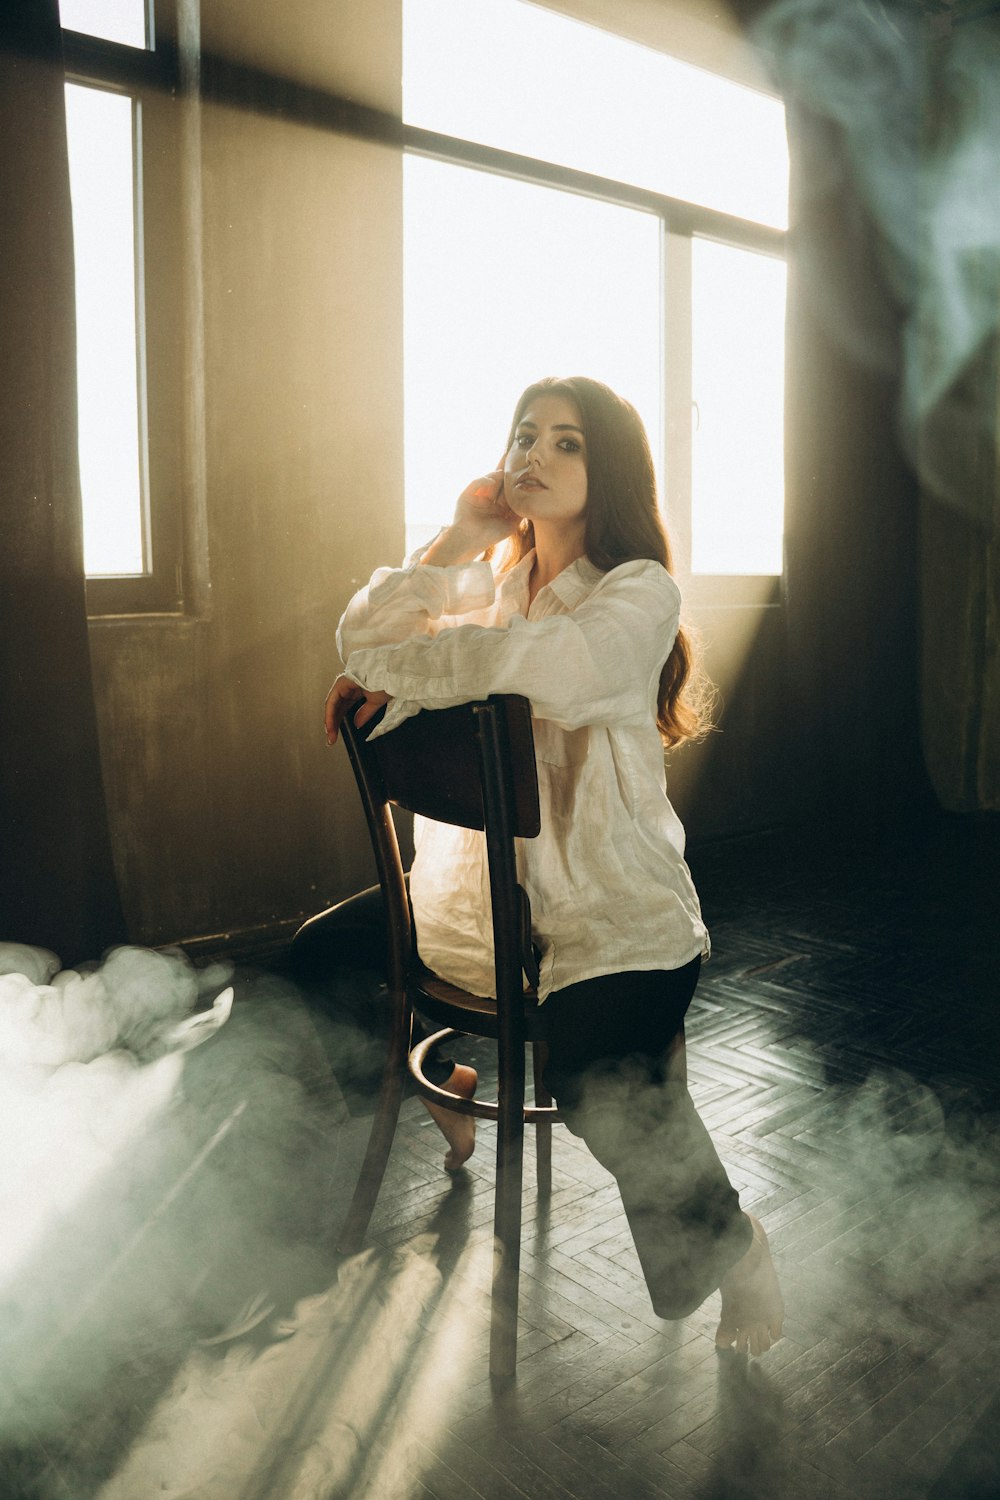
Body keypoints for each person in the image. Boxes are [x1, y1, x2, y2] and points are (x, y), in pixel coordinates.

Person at [325, 376, 784, 1355]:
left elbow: (551, 668)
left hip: (613, 920)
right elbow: (358, 638)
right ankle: (444, 1077)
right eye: (522, 435)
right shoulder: (485, 585)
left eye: (565, 443)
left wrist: (393, 672)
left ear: (605, 472)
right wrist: (452, 542)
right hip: (474, 913)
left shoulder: (638, 593)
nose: (531, 454)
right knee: (311, 964)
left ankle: (734, 1247)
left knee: (595, 1082)